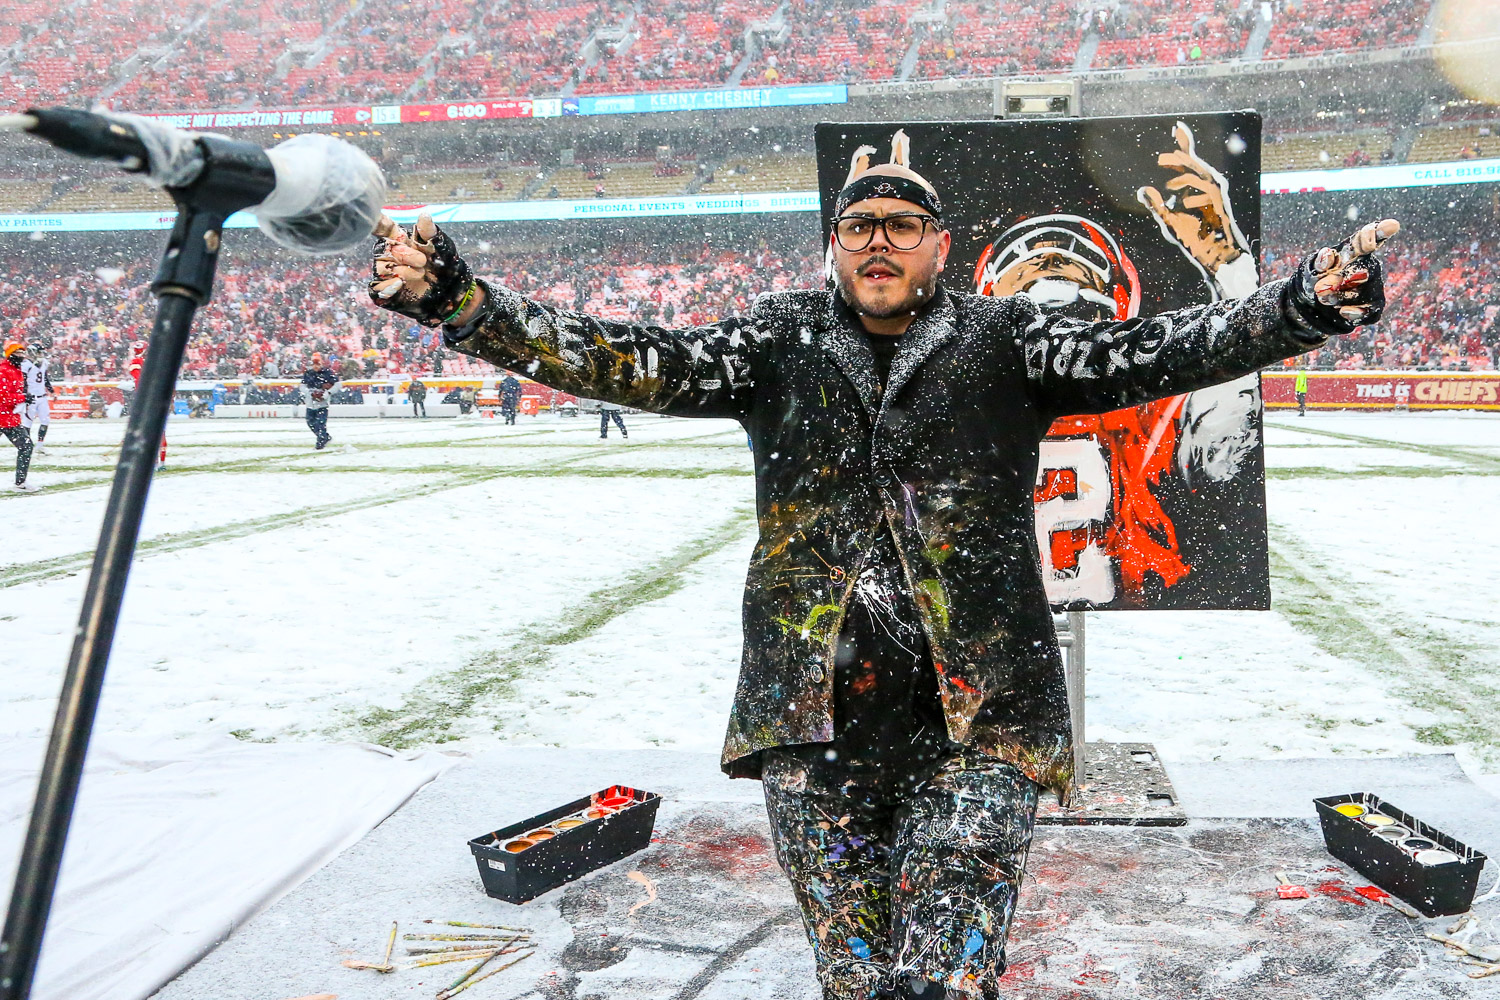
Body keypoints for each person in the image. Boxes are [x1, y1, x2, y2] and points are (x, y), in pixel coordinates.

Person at [369, 176, 1399, 998]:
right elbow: (628, 359)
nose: (878, 241)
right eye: (858, 224)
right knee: (855, 979)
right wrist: (465, 302)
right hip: (813, 726)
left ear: (938, 246)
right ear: (833, 244)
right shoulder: (778, 339)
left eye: (903, 225)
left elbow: (1156, 348)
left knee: (947, 978)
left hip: (981, 720)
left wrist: (1303, 304)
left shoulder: (1007, 338)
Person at [1, 342, 36, 491]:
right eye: (18, 354)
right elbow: (3, 396)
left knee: (26, 446)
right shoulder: (3, 371)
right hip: (4, 417)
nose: (21, 357)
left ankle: (21, 482)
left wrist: (24, 398)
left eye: (23, 354)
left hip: (10, 417)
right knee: (26, 446)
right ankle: (20, 482)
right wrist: (22, 398)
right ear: (11, 355)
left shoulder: (17, 370)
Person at [20, 343, 52, 454]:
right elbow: (22, 381)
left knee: (45, 420)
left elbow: (45, 378)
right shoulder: (26, 364)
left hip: (42, 396)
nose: (41, 354)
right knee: (27, 422)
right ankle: (27, 445)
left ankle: (40, 445)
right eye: (39, 352)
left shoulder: (43, 363)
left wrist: (51, 390)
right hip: (31, 397)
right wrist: (24, 394)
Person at [301, 352, 338, 450]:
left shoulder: (328, 373)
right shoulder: (308, 374)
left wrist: (327, 393)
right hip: (310, 403)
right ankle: (324, 437)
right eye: (314, 364)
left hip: (322, 403)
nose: (316, 366)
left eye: (318, 364)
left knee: (320, 424)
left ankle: (320, 442)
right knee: (311, 423)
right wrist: (309, 393)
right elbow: (302, 386)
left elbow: (337, 385)